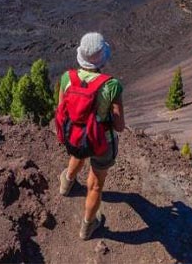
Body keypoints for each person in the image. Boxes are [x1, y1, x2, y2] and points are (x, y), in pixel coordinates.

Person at [58, 32, 125, 240]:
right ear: (102, 57)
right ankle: (88, 226)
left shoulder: (67, 78)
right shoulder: (112, 85)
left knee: (79, 150)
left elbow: (61, 108)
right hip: (101, 141)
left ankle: (66, 184)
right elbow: (119, 125)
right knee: (95, 184)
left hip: (76, 135)